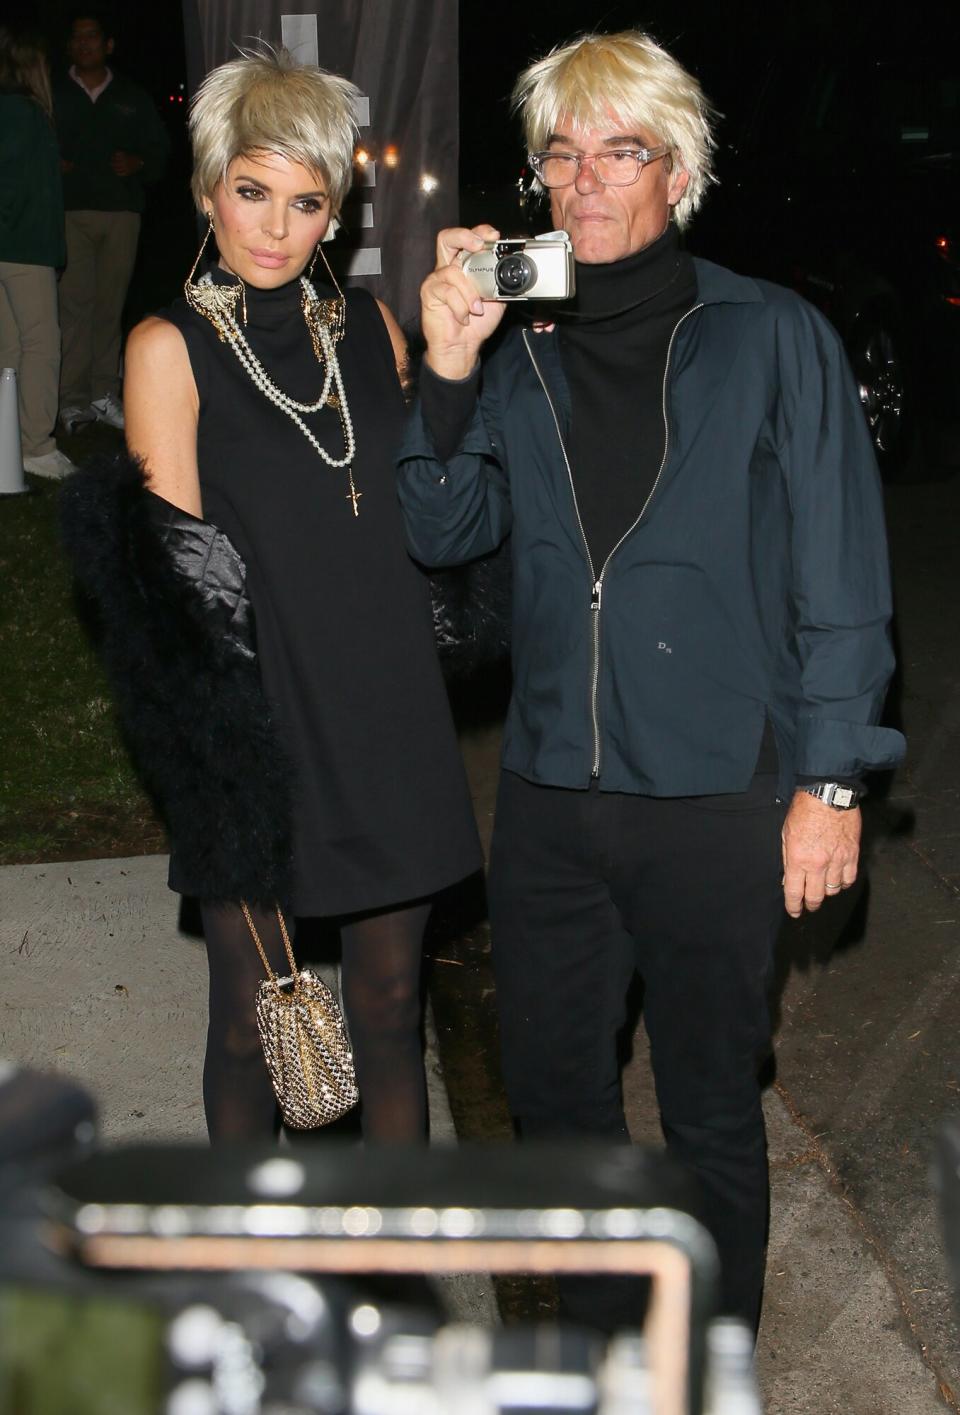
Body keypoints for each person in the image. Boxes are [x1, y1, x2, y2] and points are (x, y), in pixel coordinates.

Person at [396, 30, 906, 1328]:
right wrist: (447, 364)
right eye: (560, 154)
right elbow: (441, 532)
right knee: (557, 1105)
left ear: (678, 172)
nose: (586, 179)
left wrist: (833, 778)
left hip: (720, 796)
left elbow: (842, 576)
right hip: (554, 797)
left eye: (618, 150)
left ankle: (707, 1358)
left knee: (708, 1111)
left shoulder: (771, 334)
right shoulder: (519, 351)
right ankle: (593, 1349)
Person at [61, 47, 481, 1144]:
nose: (274, 226)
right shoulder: (170, 348)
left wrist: (452, 370)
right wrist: (219, 777)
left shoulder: (378, 330)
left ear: (335, 214)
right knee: (258, 1024)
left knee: (393, 1014)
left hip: (392, 715)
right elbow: (182, 583)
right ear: (209, 193)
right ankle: (253, 1287)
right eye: (252, 191)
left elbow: (430, 505)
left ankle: (394, 1288)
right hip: (265, 731)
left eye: (306, 201)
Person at [53, 8, 169, 433]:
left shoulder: (131, 96)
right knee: (74, 308)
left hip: (121, 213)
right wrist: (52, 163)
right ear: (69, 46)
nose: (84, 43)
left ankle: (105, 393)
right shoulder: (52, 92)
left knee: (110, 306)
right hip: (70, 213)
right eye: (77, 37)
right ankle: (72, 401)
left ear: (108, 45)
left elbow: (160, 150)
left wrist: (139, 161)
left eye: (92, 36)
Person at [0, 25, 73, 481]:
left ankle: (10, 441)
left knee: (9, 346)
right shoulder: (23, 113)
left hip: (16, 244)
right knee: (41, 342)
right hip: (23, 247)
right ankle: (37, 446)